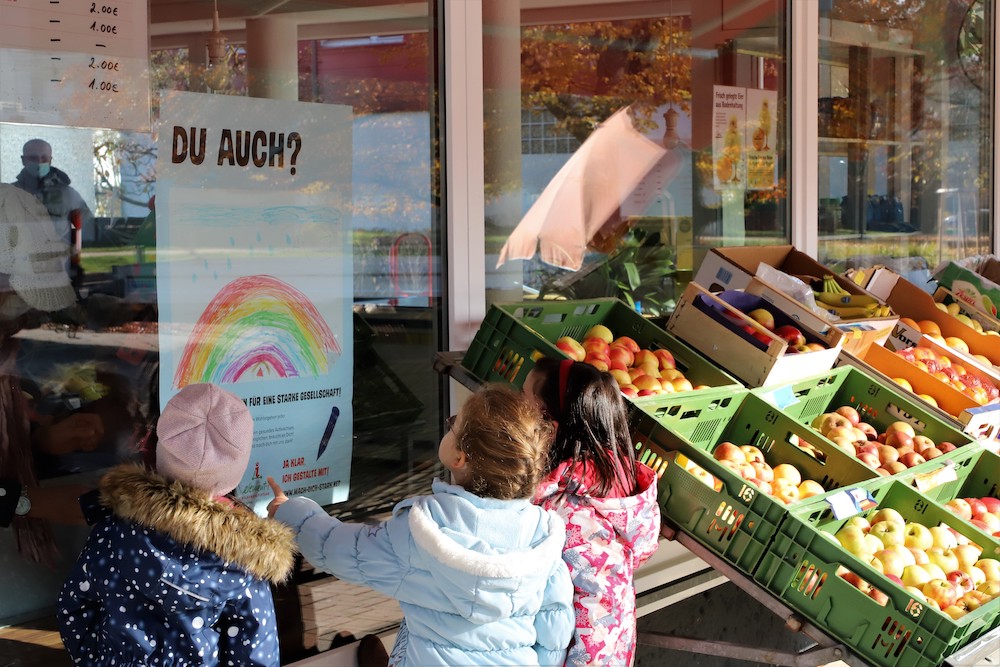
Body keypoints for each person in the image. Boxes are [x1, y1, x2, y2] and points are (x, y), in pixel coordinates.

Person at [267, 383, 575, 667]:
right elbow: (554, 633)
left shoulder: (422, 531)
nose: (449, 423)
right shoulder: (543, 537)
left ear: (459, 457)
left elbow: (335, 548)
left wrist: (291, 512)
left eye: (454, 423)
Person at [57, 383, 297, 667]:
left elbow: (75, 607)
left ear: (158, 447)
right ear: (236, 469)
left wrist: (96, 661)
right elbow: (256, 655)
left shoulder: (113, 533)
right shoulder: (247, 561)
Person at [523, 357, 661, 667]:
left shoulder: (572, 513)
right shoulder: (608, 486)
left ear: (549, 426)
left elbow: (596, 610)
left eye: (523, 399)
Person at [13, 139, 93, 291]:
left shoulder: (68, 196)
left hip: (60, 280)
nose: (39, 162)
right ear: (23, 160)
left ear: (50, 159)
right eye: (33, 158)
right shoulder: (9, 195)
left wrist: (79, 272)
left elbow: (88, 233)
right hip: (19, 283)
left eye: (44, 158)